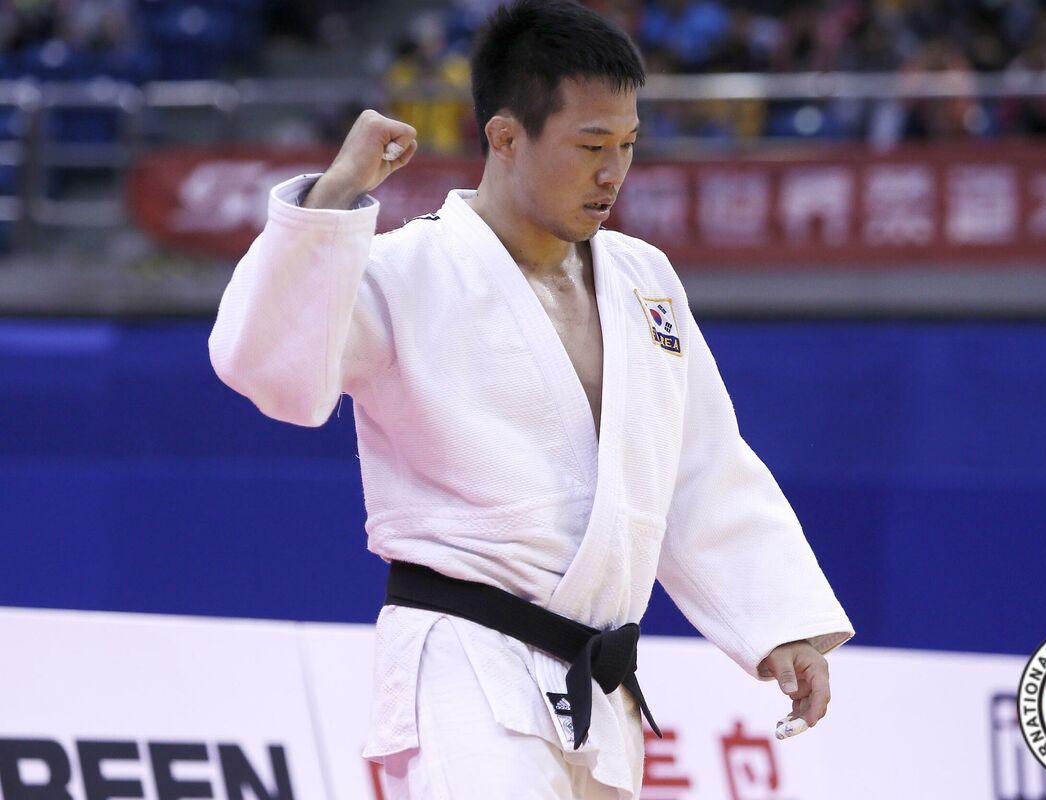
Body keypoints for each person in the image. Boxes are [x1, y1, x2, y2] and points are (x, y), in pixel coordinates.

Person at [208, 1, 853, 798]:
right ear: (507, 138)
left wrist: (779, 625)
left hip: (599, 690)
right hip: (464, 670)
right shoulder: (407, 271)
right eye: (590, 146)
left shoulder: (643, 280)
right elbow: (268, 368)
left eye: (627, 145)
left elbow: (698, 466)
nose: (613, 172)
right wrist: (335, 196)